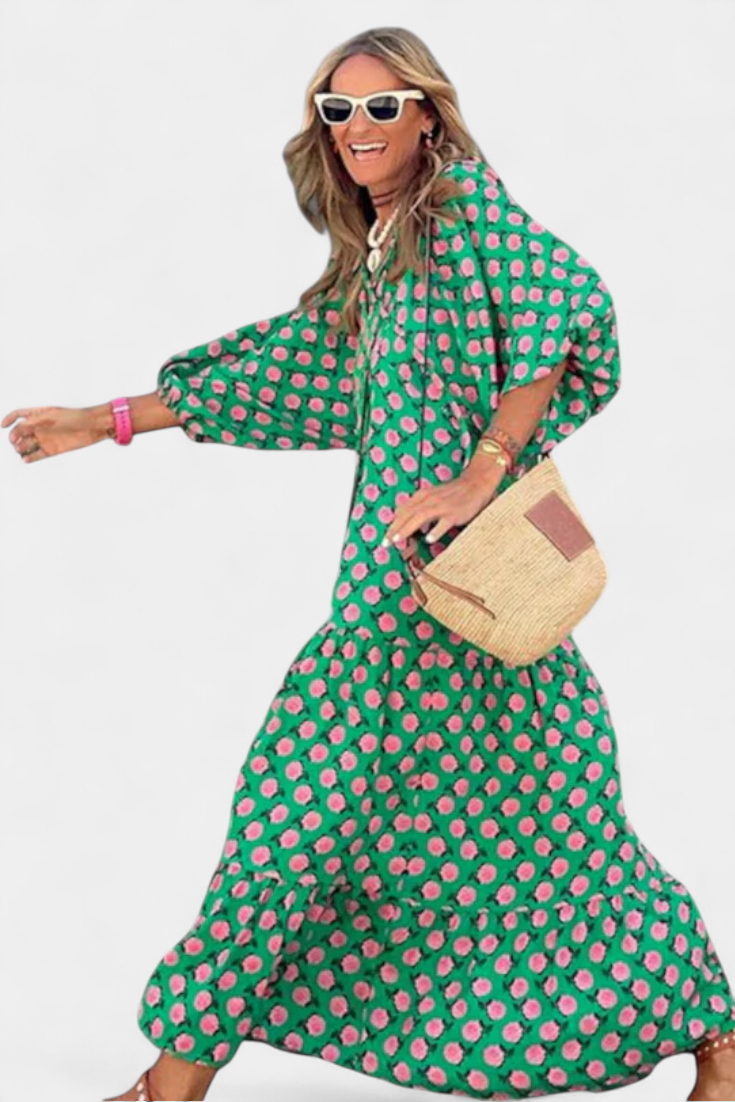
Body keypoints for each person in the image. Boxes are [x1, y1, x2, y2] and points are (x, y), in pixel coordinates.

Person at [4, 25, 734, 1102]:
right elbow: (280, 366)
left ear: (428, 115)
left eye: (382, 105)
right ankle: (178, 1078)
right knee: (519, 840)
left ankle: (175, 1083)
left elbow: (564, 304)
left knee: (361, 837)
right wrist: (105, 419)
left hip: (466, 593)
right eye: (337, 109)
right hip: (394, 596)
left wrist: (479, 472)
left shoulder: (463, 213)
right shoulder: (384, 256)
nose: (357, 127)